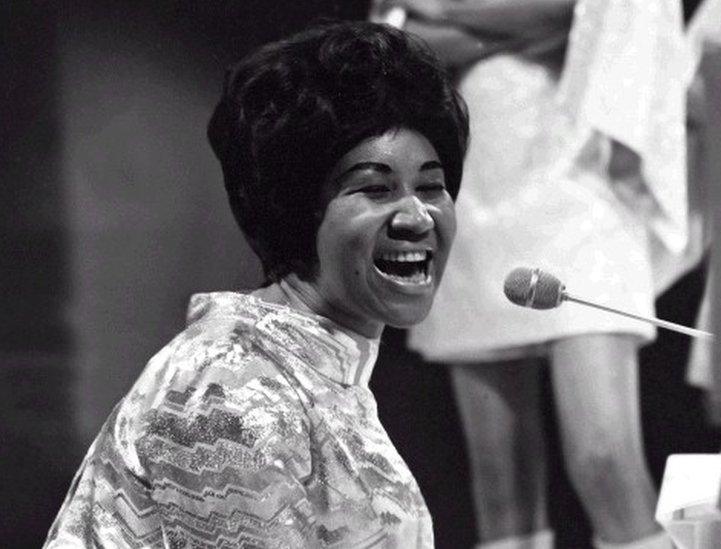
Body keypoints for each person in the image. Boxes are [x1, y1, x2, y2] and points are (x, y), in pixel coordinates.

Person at [44, 20, 468, 548]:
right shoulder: (231, 389)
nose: (418, 216)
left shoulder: (313, 375)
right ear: (295, 210)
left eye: (432, 186)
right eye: (375, 189)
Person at [375, 1, 695, 548]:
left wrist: (448, 9)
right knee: (501, 488)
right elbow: (397, 39)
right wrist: (515, 28)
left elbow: (582, 12)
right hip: (483, 171)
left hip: (582, 173)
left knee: (603, 458)